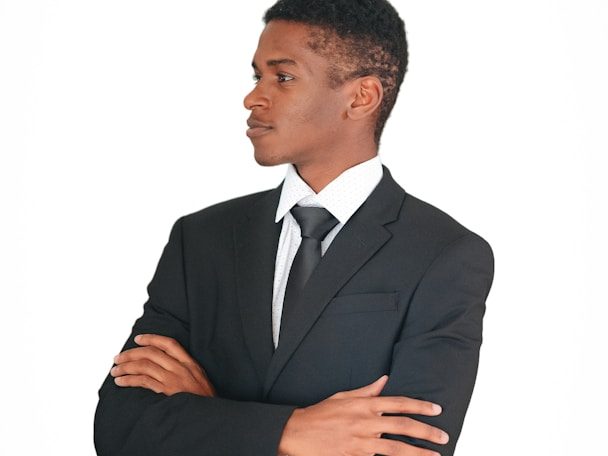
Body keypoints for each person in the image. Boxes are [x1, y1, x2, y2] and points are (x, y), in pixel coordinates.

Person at [94, 0, 495, 455]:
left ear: (361, 97)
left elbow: (407, 449)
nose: (253, 98)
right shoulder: (199, 240)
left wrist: (208, 409)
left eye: (282, 77)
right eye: (257, 76)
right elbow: (119, 429)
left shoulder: (444, 254)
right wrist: (292, 431)